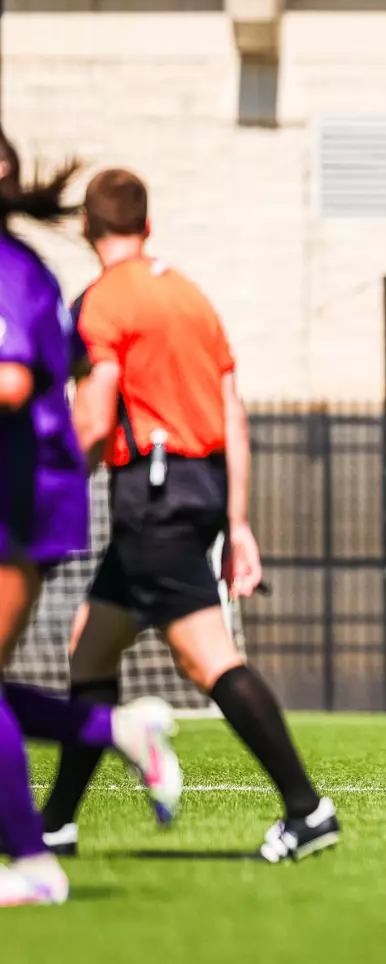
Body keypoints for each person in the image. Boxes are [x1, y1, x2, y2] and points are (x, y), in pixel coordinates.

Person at [38, 168, 338, 864]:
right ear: (146, 224)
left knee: (206, 655)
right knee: (92, 647)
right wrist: (237, 520)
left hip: (157, 494)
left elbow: (95, 410)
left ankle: (307, 808)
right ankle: (56, 821)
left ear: (88, 226)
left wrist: (45, 480)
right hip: (196, 488)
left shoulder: (104, 301)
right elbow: (232, 411)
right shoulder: (191, 297)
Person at [0, 137, 181, 905]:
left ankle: (35, 865)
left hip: (16, 497)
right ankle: (113, 731)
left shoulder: (11, 270)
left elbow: (12, 381)